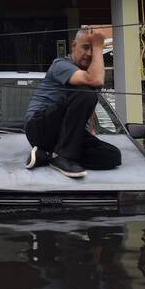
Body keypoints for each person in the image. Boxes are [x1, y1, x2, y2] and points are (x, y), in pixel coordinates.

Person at [23, 26, 122, 179]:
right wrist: (98, 46)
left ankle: (48, 155)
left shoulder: (88, 73)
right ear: (74, 46)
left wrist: (90, 130)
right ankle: (63, 157)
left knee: (112, 156)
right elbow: (94, 81)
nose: (89, 54)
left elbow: (84, 108)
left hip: (63, 137)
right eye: (86, 47)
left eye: (93, 49)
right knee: (86, 92)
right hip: (39, 127)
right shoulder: (60, 65)